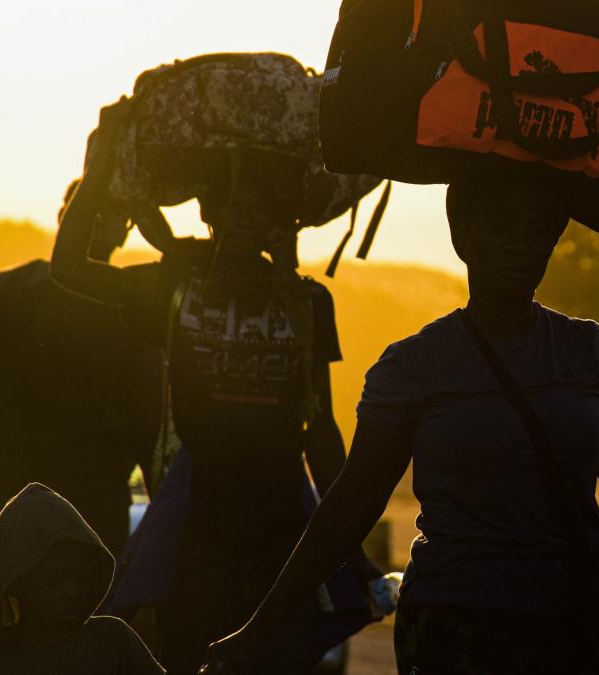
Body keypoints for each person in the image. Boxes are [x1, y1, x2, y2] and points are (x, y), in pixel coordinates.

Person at [203, 174, 599, 674]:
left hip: (578, 624)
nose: (522, 242)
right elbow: (349, 507)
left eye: (538, 229)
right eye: (502, 225)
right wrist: (260, 627)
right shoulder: (412, 367)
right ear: (461, 236)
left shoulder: (588, 353)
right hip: (456, 629)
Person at [52, 99, 375, 674]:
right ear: (210, 214)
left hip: (282, 534)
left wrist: (350, 538)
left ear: (284, 221)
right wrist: (101, 165)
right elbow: (69, 269)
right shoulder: (176, 288)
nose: (246, 219)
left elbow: (319, 428)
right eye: (232, 205)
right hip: (194, 531)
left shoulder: (306, 302)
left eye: (262, 208)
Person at [0, 181, 164, 592]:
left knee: (39, 635)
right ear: (63, 217)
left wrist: (161, 529)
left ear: (125, 231)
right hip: (18, 503)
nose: (98, 226)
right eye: (89, 213)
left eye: (109, 216)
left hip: (77, 507)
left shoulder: (135, 311)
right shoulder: (8, 294)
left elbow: (150, 429)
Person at [0, 482, 165, 674]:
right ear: (16, 581)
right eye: (54, 579)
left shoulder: (112, 642)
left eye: (83, 578)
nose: (73, 592)